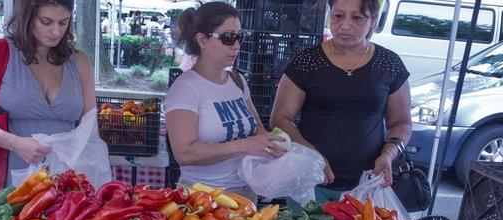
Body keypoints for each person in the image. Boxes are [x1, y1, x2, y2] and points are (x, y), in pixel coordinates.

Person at [270, 0, 412, 205]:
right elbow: (280, 118)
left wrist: (388, 155)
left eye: (357, 17)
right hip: (309, 183)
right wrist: (313, 156)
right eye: (338, 16)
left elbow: (401, 122)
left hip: (367, 187)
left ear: (372, 19)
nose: (345, 26)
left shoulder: (389, 64)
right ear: (330, 15)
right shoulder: (306, 62)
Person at [164, 2, 286, 199]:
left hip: (246, 193)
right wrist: (244, 145)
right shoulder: (185, 89)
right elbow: (184, 153)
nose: (236, 45)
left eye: (240, 36)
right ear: (202, 40)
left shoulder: (237, 81)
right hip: (203, 198)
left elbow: (257, 129)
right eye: (228, 37)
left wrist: (273, 146)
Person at [0, 0, 96, 178]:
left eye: (63, 22)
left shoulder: (81, 62)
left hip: (67, 180)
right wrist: (15, 143)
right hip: (8, 178)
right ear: (27, 17)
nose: (56, 31)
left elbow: (90, 128)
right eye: (46, 22)